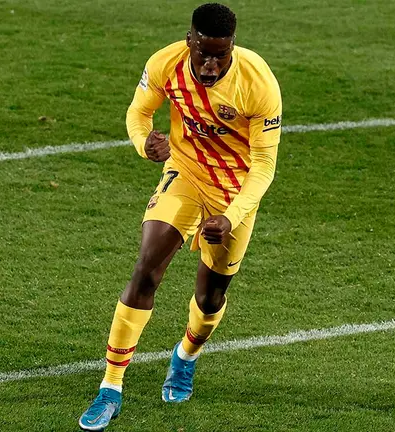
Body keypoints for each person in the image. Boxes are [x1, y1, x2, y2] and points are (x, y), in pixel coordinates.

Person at [79, 3, 282, 430]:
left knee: (210, 297)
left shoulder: (258, 82)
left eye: (220, 56)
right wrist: (143, 142)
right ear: (189, 39)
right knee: (146, 268)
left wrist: (231, 215)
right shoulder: (165, 63)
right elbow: (138, 113)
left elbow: (264, 165)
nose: (210, 65)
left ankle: (186, 355)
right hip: (185, 172)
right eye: (203, 53)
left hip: (234, 192)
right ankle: (110, 387)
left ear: (232, 47)